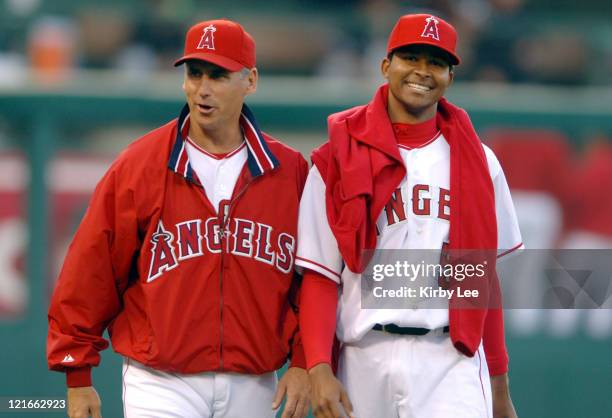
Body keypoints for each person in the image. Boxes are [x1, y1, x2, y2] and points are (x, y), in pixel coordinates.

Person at [47, 19, 311, 418]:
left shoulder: (288, 171)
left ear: (250, 81)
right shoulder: (139, 165)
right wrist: (77, 375)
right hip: (160, 381)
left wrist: (306, 361)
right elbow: (90, 270)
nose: (203, 89)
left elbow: (310, 280)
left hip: (255, 381)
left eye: (219, 75)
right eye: (194, 73)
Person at [296, 13, 523, 418]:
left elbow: (482, 280)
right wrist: (318, 367)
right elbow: (320, 276)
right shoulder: (335, 158)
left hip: (450, 360)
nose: (422, 71)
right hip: (364, 357)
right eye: (410, 58)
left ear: (451, 76)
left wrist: (499, 384)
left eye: (435, 62)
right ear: (386, 66)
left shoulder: (479, 163)